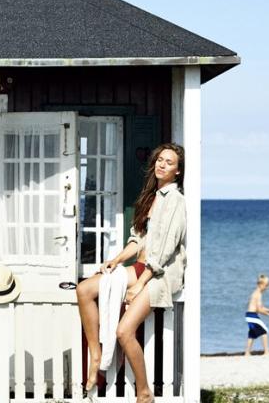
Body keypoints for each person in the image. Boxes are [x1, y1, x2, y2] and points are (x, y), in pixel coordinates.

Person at [76, 143, 187, 403]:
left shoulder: (175, 201)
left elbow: (164, 251)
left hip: (158, 275)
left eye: (169, 162)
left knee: (124, 332)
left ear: (178, 171)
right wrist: (115, 260)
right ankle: (95, 354)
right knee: (84, 289)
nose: (162, 165)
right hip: (140, 268)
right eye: (160, 159)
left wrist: (140, 285)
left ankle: (144, 391)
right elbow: (137, 241)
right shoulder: (150, 196)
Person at [244, 274, 269, 356]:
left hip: (249, 315)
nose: (267, 288)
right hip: (253, 316)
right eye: (266, 286)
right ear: (260, 284)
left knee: (252, 334)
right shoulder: (258, 294)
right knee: (264, 331)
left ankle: (247, 352)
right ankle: (267, 351)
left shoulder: (255, 293)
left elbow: (261, 307)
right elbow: (259, 309)